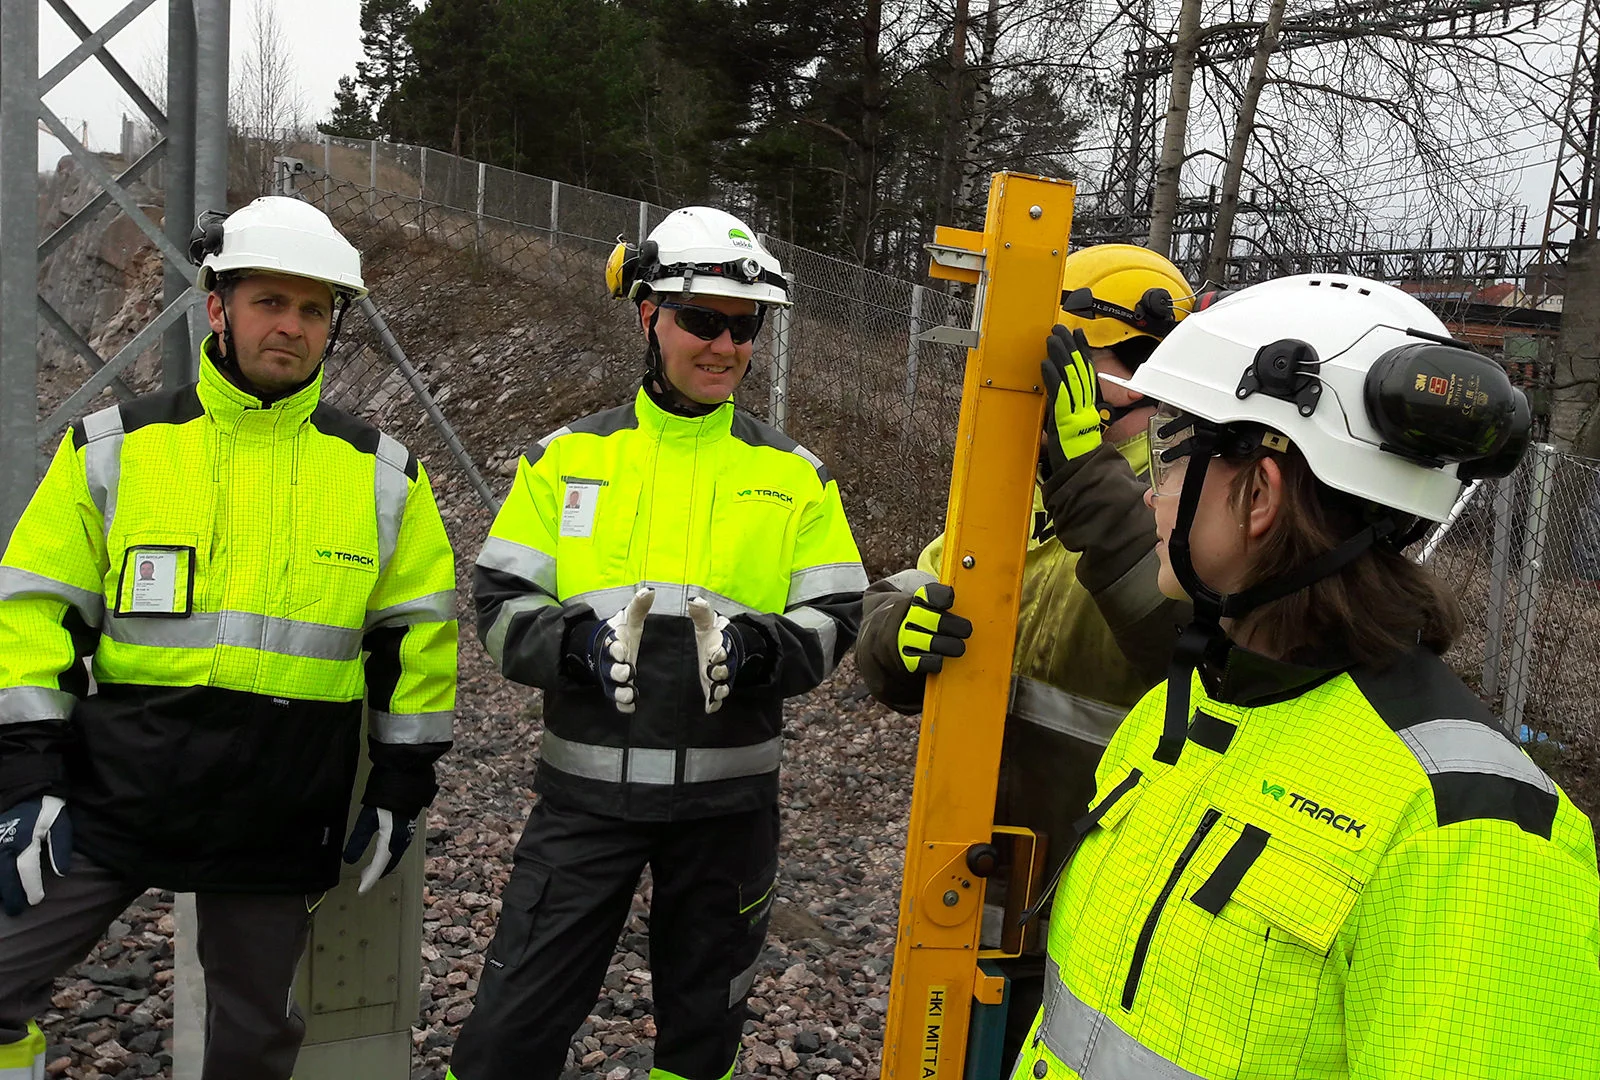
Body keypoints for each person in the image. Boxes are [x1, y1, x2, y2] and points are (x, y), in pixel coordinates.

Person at [1011, 273, 1600, 1079]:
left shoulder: (1472, 832)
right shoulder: (1178, 711)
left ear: (1258, 493)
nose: (1151, 493)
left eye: (1175, 461)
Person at [0, 196, 458, 1080]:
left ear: (333, 326)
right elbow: (30, 613)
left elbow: (418, 643)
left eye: (313, 310)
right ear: (219, 306)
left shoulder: (383, 477)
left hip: (278, 801)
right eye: (269, 302)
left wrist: (403, 782)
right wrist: (27, 772)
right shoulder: (116, 448)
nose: (290, 326)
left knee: (254, 1034)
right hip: (117, 785)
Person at [450, 207, 867, 1080]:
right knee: (506, 1033)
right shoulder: (565, 459)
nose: (723, 345)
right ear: (649, 317)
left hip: (729, 816)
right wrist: (572, 649)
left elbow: (836, 616)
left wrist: (763, 652)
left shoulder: (793, 476)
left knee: (701, 1037)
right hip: (584, 806)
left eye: (742, 326)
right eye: (701, 321)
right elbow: (496, 601)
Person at [855, 245, 1201, 1052]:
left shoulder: (1184, 501)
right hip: (984, 877)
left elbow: (1178, 643)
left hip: (1104, 906)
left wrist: (1088, 482)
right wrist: (890, 637)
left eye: (1066, 368)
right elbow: (908, 589)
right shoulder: (1019, 483)